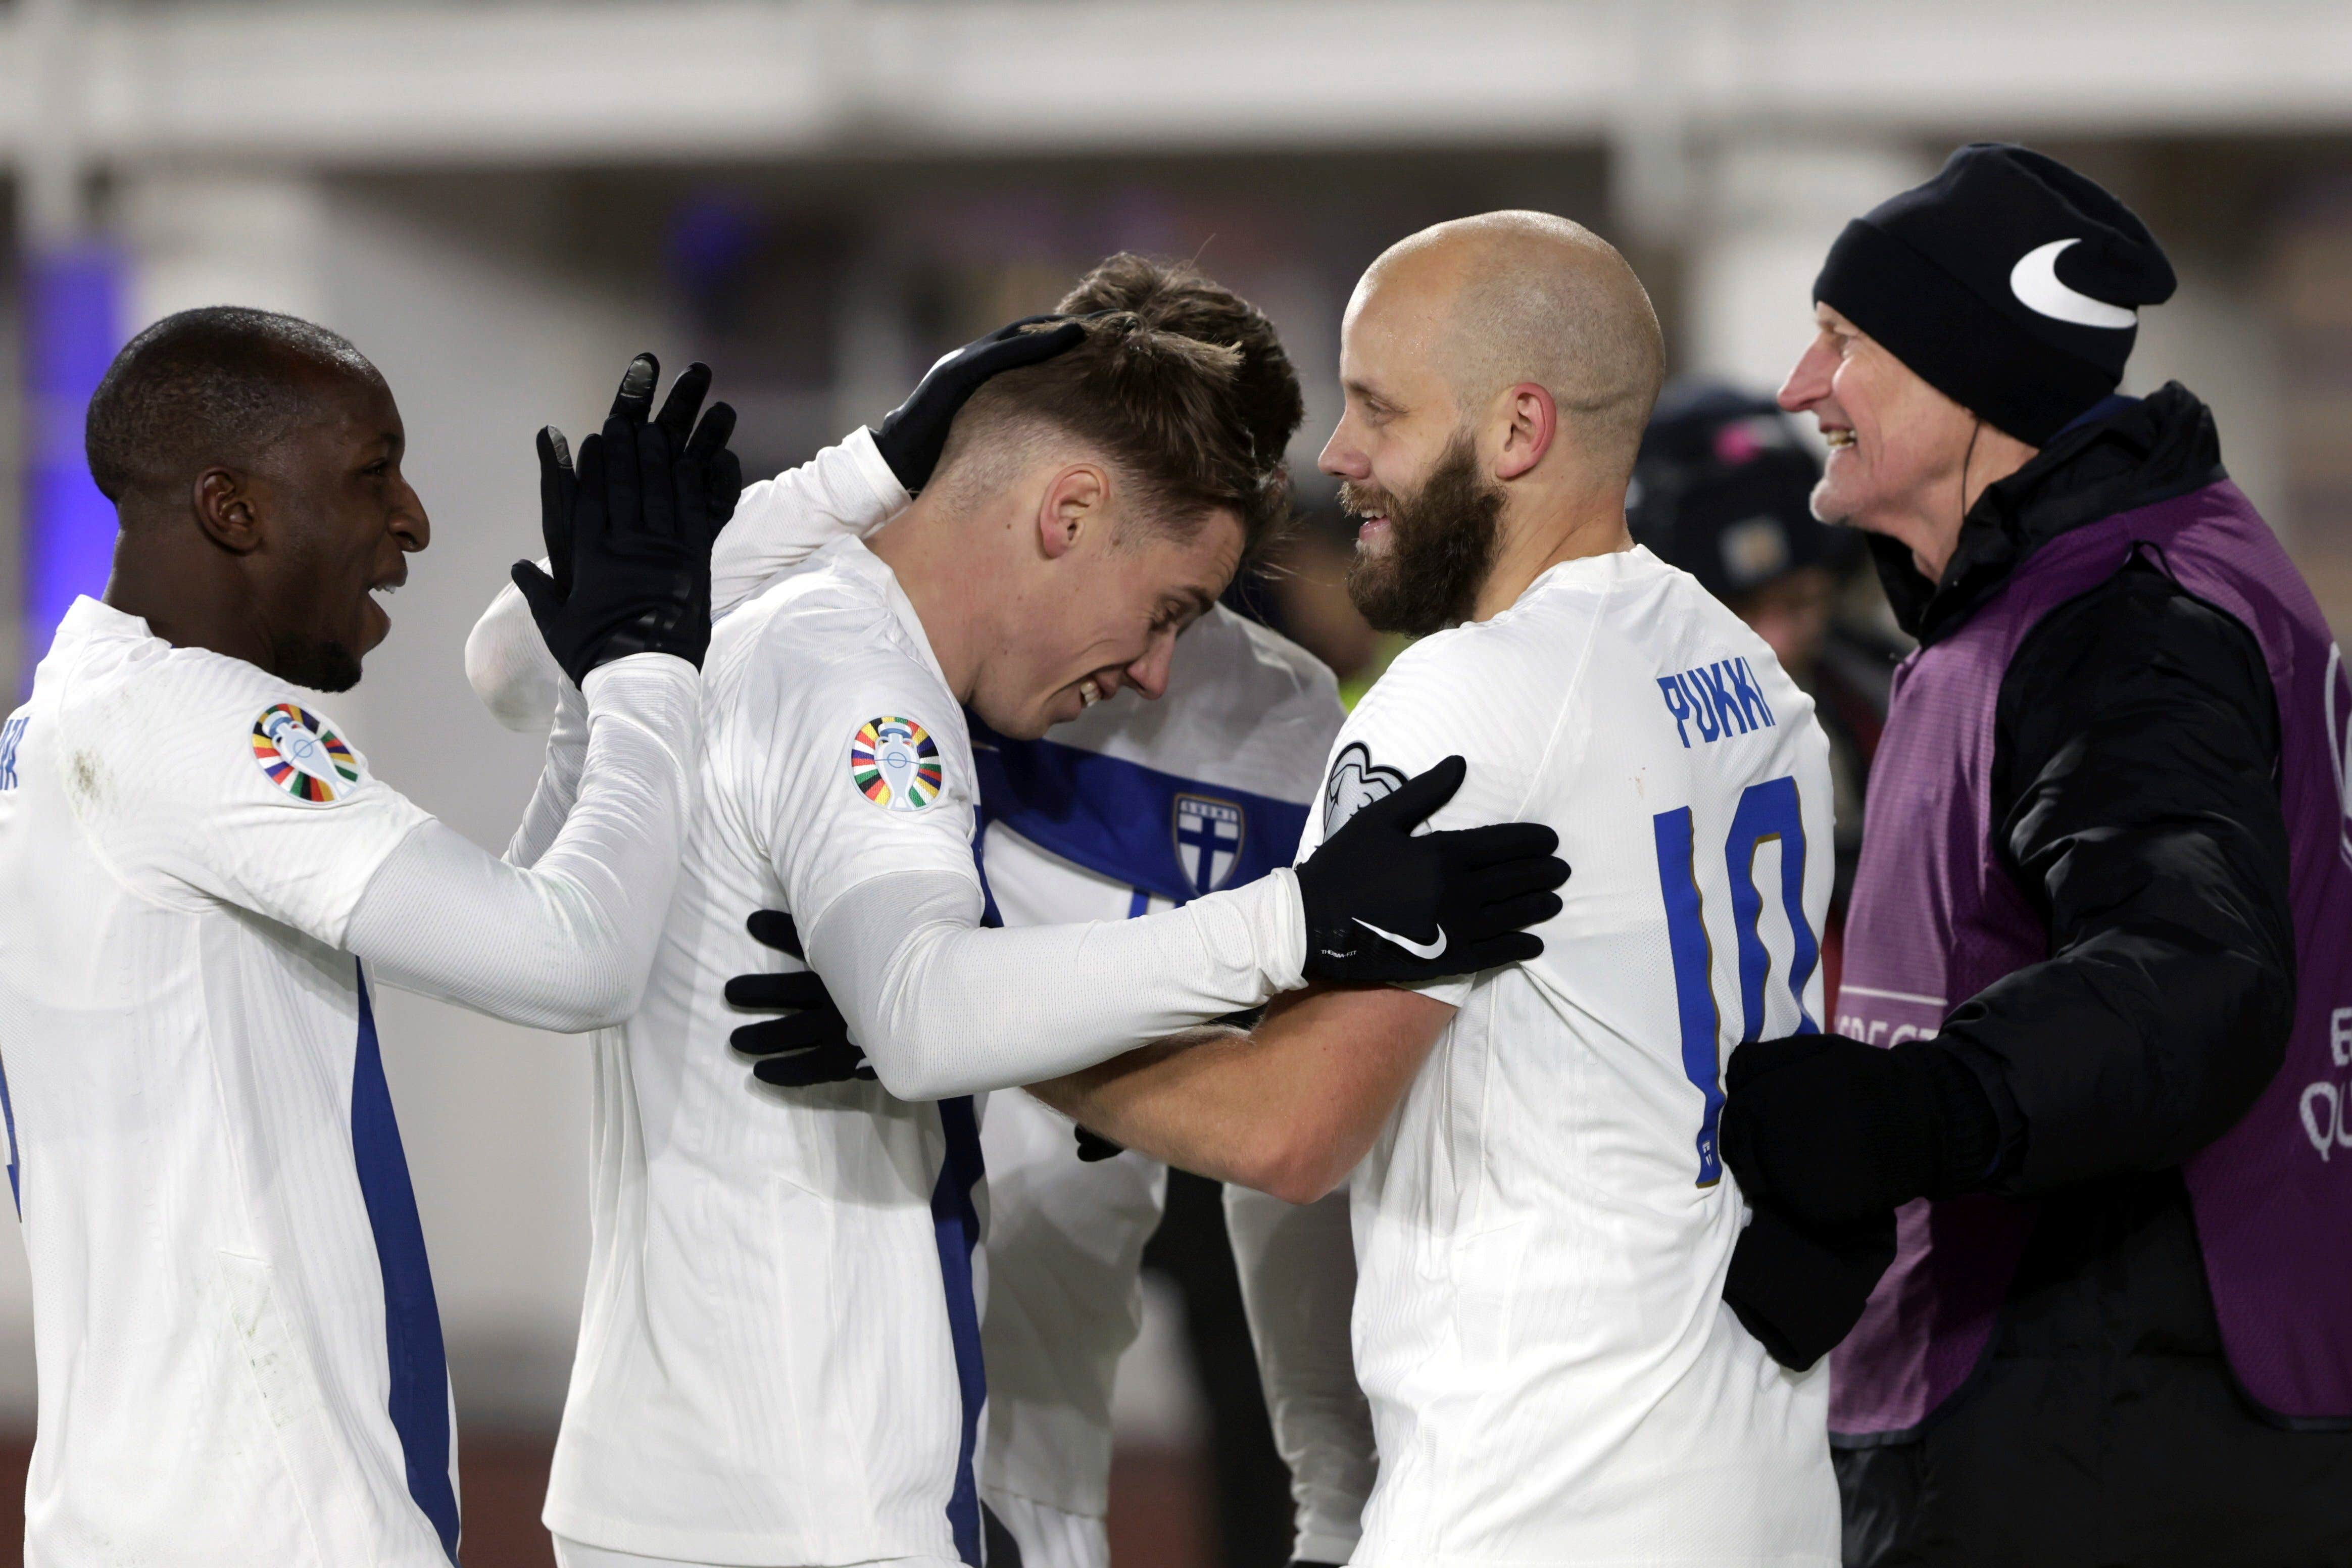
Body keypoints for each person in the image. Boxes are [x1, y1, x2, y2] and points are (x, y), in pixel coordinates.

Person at [465, 253, 1564, 1568]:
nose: (1157, 660)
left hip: (1004, 1459)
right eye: (1160, 606)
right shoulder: (858, 644)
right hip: (810, 1469)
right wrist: (865, 467)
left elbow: (1287, 1144)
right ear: (1064, 501)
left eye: (1193, 610)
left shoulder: (1267, 722)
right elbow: (530, 671)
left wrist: (1333, 1498)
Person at [1028, 212, 1841, 1567]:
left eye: (1379, 410)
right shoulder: (1746, 674)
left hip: (1540, 1503)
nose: (1337, 458)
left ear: (1518, 431)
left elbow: (1290, 1131)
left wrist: (967, 1041)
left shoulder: (1465, 700)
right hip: (1754, 1485)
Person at [0, 308, 739, 1563]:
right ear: (233, 509)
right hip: (268, 1522)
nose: (412, 520)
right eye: (369, 474)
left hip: (150, 1509)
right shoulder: (196, 726)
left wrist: (583, 710)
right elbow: (579, 962)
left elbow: (511, 931)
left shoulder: (66, 728)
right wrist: (649, 665)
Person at [1717, 143, 2352, 1566]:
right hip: (2091, 1386)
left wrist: (1912, 1116)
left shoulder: (2125, 618)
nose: (1800, 387)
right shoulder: (2066, 594)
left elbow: (2191, 968)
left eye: (1846, 344)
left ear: (1973, 383)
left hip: (2122, 1415)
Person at [1629, 381, 1898, 938]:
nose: (1774, 643)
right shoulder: (1607, 733)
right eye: (1739, 611)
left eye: (1801, 602)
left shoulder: (1884, 693)